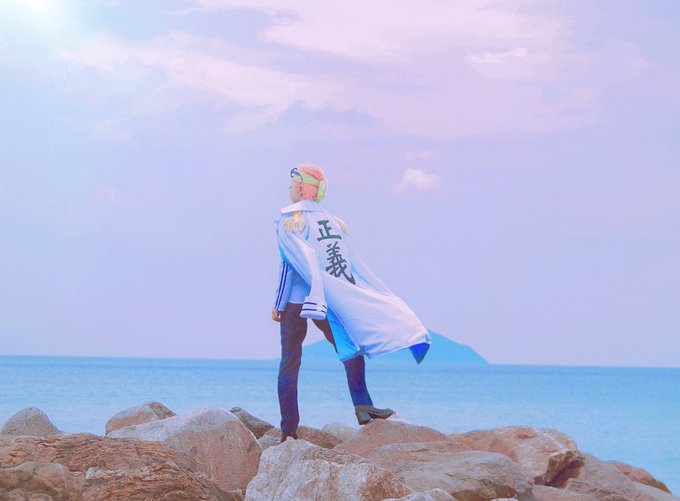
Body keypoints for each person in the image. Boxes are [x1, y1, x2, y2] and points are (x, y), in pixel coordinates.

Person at [272, 164, 431, 442]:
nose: (289, 189)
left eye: (291, 185)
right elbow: (342, 263)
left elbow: (289, 264)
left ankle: (288, 432)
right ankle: (362, 404)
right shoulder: (332, 222)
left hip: (296, 301)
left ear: (299, 188)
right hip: (329, 297)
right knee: (348, 346)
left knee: (290, 361)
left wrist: (278, 303)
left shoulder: (291, 220)